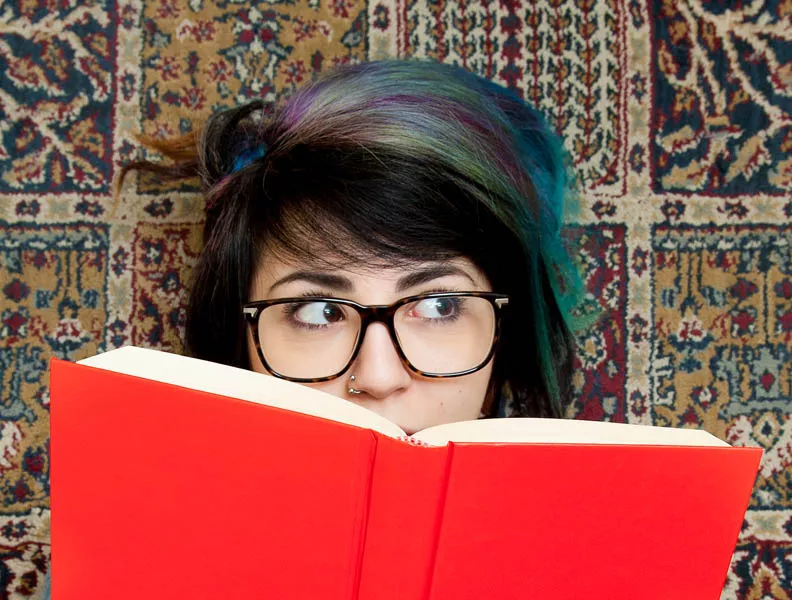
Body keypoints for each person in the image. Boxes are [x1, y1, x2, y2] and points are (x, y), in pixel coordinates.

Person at [42, 59, 585, 596]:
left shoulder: (584, 561)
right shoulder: (131, 563)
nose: (378, 376)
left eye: (438, 305)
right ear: (240, 340)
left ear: (502, 336)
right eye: (320, 312)